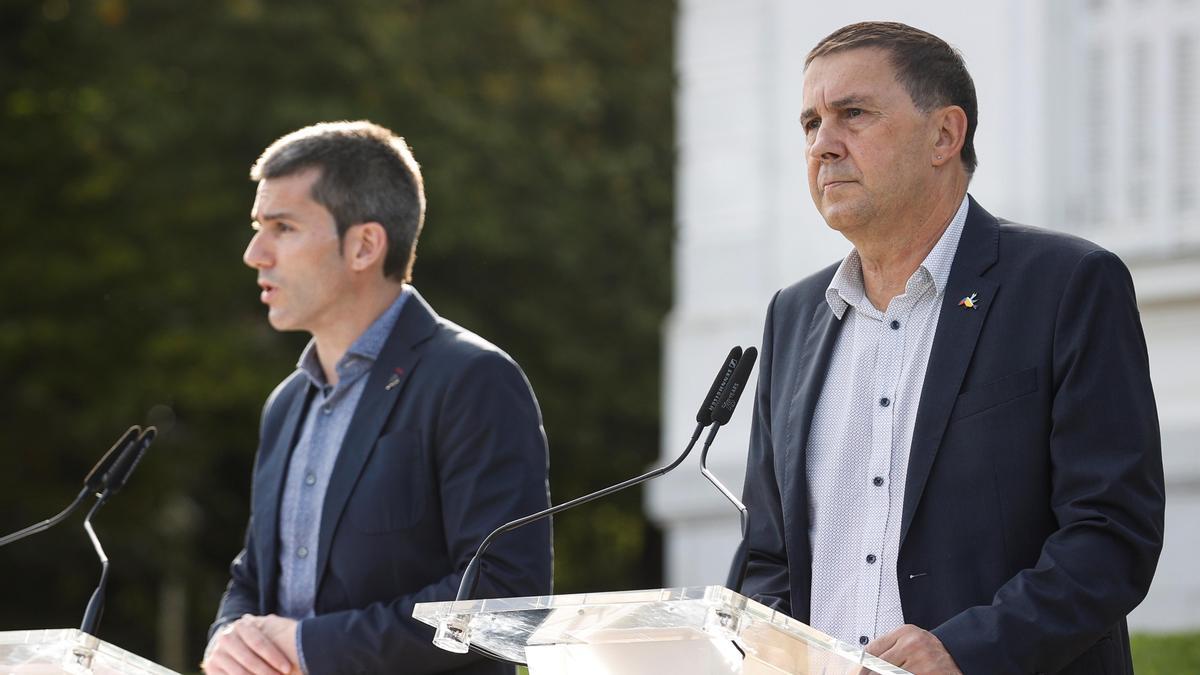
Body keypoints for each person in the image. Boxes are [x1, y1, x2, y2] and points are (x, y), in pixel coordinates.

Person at [735, 21, 1164, 675]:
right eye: (810, 124)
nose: (823, 145)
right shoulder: (792, 316)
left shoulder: (1065, 285)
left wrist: (966, 648)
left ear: (944, 135)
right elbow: (769, 558)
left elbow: (1110, 534)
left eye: (852, 114)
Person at [202, 121, 552, 675]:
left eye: (283, 228)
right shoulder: (287, 404)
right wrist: (229, 638)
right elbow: (254, 577)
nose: (255, 254)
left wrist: (310, 646)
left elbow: (502, 601)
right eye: (257, 227)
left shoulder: (473, 379)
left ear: (364, 244)